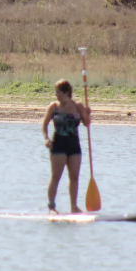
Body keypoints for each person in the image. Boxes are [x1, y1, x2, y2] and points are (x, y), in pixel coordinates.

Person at [41, 78, 91, 214]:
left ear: (66, 92)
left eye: (57, 92)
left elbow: (87, 124)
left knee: (74, 177)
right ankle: (51, 207)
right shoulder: (54, 107)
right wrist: (46, 138)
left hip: (74, 146)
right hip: (58, 145)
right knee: (56, 177)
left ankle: (74, 207)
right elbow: (44, 125)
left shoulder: (78, 106)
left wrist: (88, 114)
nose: (55, 95)